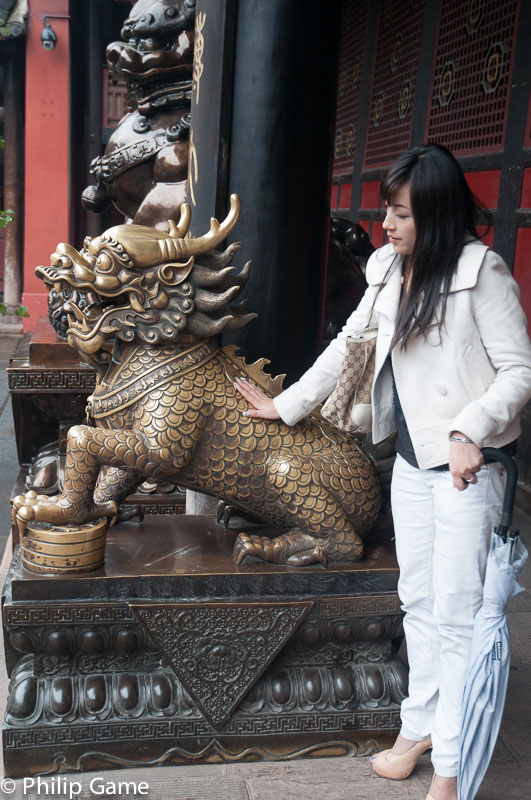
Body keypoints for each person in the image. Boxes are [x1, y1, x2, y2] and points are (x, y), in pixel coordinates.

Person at [235, 143, 531, 800]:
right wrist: (284, 406)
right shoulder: (385, 268)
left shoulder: (481, 273)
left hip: (464, 470)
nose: (387, 224)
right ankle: (417, 727)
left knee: (454, 614)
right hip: (408, 462)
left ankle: (450, 763)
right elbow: (346, 347)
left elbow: (518, 371)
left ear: (434, 210)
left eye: (400, 212)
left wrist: (468, 430)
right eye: (387, 211)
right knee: (416, 603)